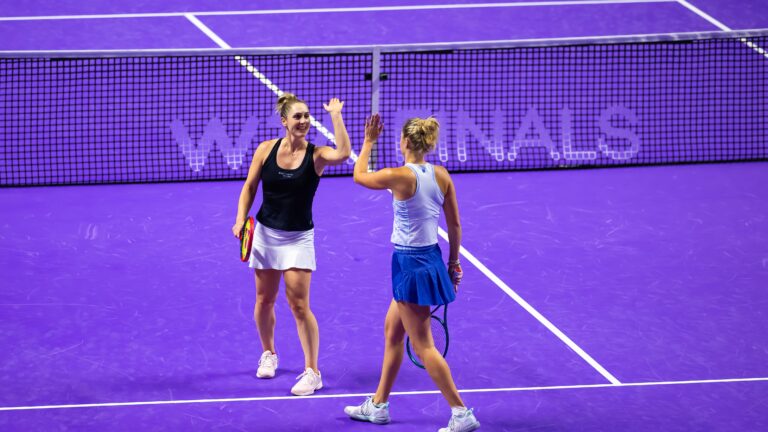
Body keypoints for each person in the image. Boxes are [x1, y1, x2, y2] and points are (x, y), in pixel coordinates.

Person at [344, 114, 480, 431]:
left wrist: (368, 141)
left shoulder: (398, 176)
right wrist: (453, 264)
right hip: (431, 259)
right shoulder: (442, 175)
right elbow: (455, 225)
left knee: (423, 346)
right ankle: (378, 405)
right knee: (393, 332)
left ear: (405, 142)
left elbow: (359, 175)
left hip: (410, 265)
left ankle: (461, 413)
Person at [232, 93, 351, 396]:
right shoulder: (265, 149)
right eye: (297, 116)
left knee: (299, 306)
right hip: (266, 234)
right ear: (284, 121)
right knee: (264, 300)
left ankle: (313, 371)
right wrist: (239, 218)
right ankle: (269, 353)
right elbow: (249, 186)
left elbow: (344, 153)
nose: (303, 121)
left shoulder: (317, 154)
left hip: (298, 237)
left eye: (307, 116)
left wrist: (335, 115)